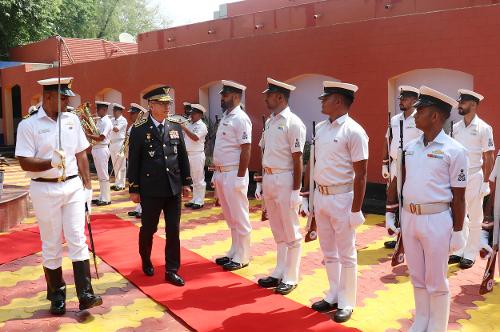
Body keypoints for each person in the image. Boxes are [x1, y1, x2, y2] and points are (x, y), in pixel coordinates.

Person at [15, 77, 102, 315]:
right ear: (49, 96)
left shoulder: (72, 119)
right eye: (63, 98)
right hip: (44, 188)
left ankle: (85, 294)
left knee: (77, 238)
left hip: (73, 186)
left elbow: (82, 153)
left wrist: (87, 185)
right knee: (51, 243)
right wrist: (49, 163)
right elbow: (24, 161)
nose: (67, 102)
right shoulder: (29, 125)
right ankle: (57, 296)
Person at [386, 86, 468, 331]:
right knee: (417, 276)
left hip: (437, 219)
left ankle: (437, 326)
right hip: (411, 217)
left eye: (421, 110)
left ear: (435, 116)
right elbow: (400, 182)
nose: (415, 114)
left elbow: (460, 197)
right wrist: (393, 213)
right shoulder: (410, 147)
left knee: (436, 280)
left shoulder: (455, 150)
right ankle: (422, 319)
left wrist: (457, 230)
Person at [302, 81, 368, 323]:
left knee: (346, 253)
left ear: (338, 101)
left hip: (342, 197)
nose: (321, 102)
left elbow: (361, 174)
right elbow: (315, 162)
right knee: (328, 250)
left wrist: (356, 209)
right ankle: (333, 294)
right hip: (322, 196)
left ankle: (347, 301)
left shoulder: (354, 131)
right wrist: (307, 196)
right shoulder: (321, 128)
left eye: (325, 98)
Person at [127, 86, 191, 286]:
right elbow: (134, 161)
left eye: (168, 103)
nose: (166, 107)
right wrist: (134, 188)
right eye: (162, 104)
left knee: (173, 230)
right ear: (151, 106)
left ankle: (171, 270)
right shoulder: (139, 130)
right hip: (151, 189)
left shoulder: (175, 127)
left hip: (173, 188)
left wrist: (186, 183)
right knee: (149, 228)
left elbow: (182, 157)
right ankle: (146, 259)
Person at [255, 78, 306, 295]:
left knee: (291, 230)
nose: (265, 98)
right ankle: (279, 271)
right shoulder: (270, 121)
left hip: (285, 180)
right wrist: (259, 182)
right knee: (277, 228)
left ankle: (291, 276)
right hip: (269, 179)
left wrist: (296, 191)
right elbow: (264, 151)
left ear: (280, 97)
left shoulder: (294, 122)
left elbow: (298, 159)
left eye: (269, 95)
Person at [448, 89, 495, 269]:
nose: (459, 105)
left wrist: (486, 182)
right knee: (460, 215)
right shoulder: (456, 127)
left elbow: (489, 156)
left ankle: (470, 253)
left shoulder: (484, 128)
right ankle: (459, 250)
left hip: (475, 175)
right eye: (460, 102)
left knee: (475, 217)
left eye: (463, 102)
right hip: (457, 177)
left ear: (473, 105)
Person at [212, 80, 252, 271]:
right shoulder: (226, 117)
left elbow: (246, 149)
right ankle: (234, 250)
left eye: (225, 95)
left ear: (236, 96)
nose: (222, 98)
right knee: (230, 216)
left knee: (240, 215)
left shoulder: (240, 118)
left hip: (234, 173)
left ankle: (243, 255)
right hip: (221, 173)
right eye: (222, 95)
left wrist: (239, 176)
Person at [382, 86, 422, 248]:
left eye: (405, 99)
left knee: (409, 199)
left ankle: (411, 236)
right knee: (395, 198)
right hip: (395, 164)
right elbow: (387, 141)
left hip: (412, 165)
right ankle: (398, 235)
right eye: (401, 98)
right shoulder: (395, 119)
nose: (402, 101)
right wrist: (384, 164)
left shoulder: (419, 119)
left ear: (414, 101)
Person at [182, 103, 208, 209]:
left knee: (199, 179)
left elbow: (195, 137)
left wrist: (184, 128)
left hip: (197, 155)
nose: (191, 115)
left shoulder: (201, 126)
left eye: (194, 114)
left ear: (200, 115)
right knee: (192, 179)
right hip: (188, 154)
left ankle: (200, 201)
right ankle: (194, 199)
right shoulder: (190, 124)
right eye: (191, 113)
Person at [86, 101, 112, 205]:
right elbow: (95, 133)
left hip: (102, 148)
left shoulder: (107, 122)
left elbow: (101, 137)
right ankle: (102, 196)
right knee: (100, 175)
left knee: (104, 175)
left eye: (98, 109)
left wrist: (88, 135)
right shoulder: (100, 121)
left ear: (104, 110)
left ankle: (106, 199)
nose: (96, 111)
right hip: (97, 149)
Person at [126, 103, 146, 219]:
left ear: (139, 114)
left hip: (140, 161)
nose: (130, 116)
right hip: (132, 159)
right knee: (135, 184)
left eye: (133, 113)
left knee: (142, 185)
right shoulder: (132, 126)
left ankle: (143, 208)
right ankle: (138, 207)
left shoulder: (142, 127)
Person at [109, 103, 128, 191]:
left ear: (120, 111)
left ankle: (122, 184)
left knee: (121, 164)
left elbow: (116, 129)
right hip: (112, 143)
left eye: (115, 111)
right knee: (115, 164)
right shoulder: (112, 119)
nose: (113, 112)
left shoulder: (123, 120)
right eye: (113, 110)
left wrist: (108, 125)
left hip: (119, 143)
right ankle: (117, 183)